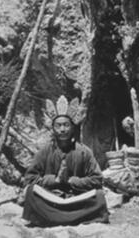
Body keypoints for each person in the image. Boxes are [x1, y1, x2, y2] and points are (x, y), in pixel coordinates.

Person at [22, 97, 109, 227]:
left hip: (76, 198)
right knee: (31, 191)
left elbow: (97, 179)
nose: (62, 129)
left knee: (99, 195)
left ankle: (50, 218)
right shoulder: (45, 151)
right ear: (53, 128)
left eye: (66, 125)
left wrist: (72, 181)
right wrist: (55, 180)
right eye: (58, 125)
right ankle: (74, 218)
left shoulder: (84, 151)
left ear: (73, 128)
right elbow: (29, 179)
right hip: (51, 198)